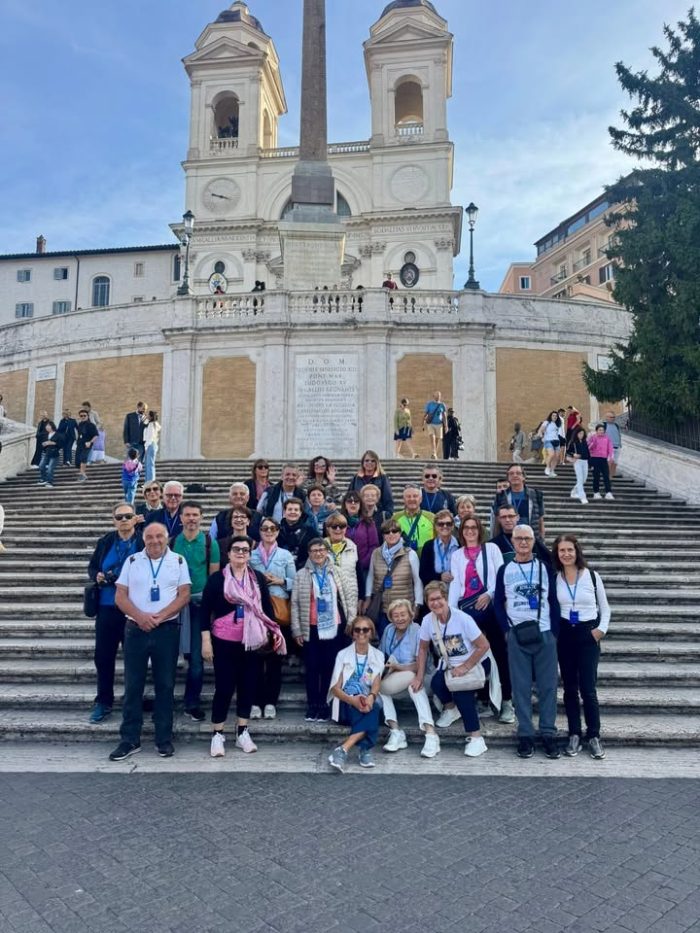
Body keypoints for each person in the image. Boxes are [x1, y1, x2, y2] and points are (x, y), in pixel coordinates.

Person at [109, 522, 191, 760]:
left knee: (165, 685)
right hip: (135, 629)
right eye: (150, 537)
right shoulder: (133, 561)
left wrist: (160, 616)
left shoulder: (178, 561)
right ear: (143, 539)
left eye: (159, 537)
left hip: (166, 630)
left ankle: (163, 739)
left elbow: (184, 594)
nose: (154, 541)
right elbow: (120, 595)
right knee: (133, 685)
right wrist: (140, 617)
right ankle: (129, 739)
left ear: (167, 538)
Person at [201, 536, 285, 758]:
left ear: (250, 554)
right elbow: (204, 611)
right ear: (228, 553)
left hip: (252, 641)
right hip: (224, 640)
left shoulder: (257, 578)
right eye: (236, 549)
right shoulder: (217, 579)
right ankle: (217, 734)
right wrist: (205, 640)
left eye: (245, 550)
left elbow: (266, 608)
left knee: (248, 686)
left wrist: (272, 633)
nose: (240, 553)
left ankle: (242, 731)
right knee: (224, 688)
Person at [494, 523, 561, 759]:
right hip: (517, 634)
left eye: (528, 539)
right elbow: (498, 603)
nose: (523, 543)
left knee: (548, 687)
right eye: (519, 538)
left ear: (534, 542)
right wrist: (506, 631)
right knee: (520, 688)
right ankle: (525, 734)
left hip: (544, 633)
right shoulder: (504, 570)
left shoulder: (544, 567)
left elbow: (553, 600)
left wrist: (554, 633)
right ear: (512, 541)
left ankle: (548, 733)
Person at [411, 581, 491, 757]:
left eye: (439, 598)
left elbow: (483, 645)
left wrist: (465, 666)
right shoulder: (427, 621)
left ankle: (477, 738)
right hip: (451, 665)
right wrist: (419, 676)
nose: (436, 603)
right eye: (431, 600)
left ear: (446, 598)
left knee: (462, 692)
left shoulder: (463, 618)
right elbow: (423, 649)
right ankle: (450, 708)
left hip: (476, 662)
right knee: (437, 683)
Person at [448, 515, 514, 724]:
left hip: (491, 607)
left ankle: (506, 702)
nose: (469, 531)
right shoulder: (457, 555)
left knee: (499, 654)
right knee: (477, 654)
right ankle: (484, 699)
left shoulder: (491, 549)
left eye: (473, 528)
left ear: (479, 530)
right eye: (466, 528)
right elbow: (456, 583)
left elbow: (501, 575)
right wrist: (451, 612)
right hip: (468, 609)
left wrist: (490, 594)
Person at [553, 534, 610, 760]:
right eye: (561, 551)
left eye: (570, 550)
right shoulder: (555, 578)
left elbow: (605, 608)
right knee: (569, 688)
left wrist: (600, 631)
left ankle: (594, 735)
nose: (566, 554)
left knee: (588, 688)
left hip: (588, 633)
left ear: (577, 551)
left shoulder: (592, 577)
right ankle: (574, 734)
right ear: (557, 554)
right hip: (566, 633)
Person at [87, 503, 144, 724]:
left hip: (133, 608)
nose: (123, 520)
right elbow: (92, 567)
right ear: (113, 520)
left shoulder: (142, 541)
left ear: (134, 519)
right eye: (119, 517)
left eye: (128, 516)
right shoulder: (106, 541)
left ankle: (133, 699)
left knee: (134, 658)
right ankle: (104, 701)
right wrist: (98, 576)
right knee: (103, 657)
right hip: (107, 607)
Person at [292, 537, 352, 722]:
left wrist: (351, 620)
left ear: (327, 552)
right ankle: (313, 705)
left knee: (329, 667)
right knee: (312, 668)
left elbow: (348, 597)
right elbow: (294, 603)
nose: (318, 553)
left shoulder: (337, 572)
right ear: (309, 553)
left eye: (321, 550)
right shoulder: (302, 574)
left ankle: (325, 704)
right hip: (310, 627)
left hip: (334, 627)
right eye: (314, 550)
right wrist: (296, 629)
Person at [172, 501, 220, 721]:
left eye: (195, 515)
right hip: (174, 606)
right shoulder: (172, 542)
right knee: (170, 657)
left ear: (201, 518)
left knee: (197, 661)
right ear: (180, 518)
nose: (191, 519)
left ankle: (191, 703)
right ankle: (165, 702)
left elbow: (213, 577)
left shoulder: (210, 542)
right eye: (187, 515)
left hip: (199, 605)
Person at [379, 598, 440, 758]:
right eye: (396, 615)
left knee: (414, 683)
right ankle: (396, 732)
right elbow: (382, 655)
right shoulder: (389, 630)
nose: (399, 618)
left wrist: (398, 667)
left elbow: (421, 665)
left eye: (403, 614)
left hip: (423, 677)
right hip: (397, 679)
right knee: (377, 688)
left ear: (411, 615)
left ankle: (431, 734)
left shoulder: (418, 630)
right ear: (391, 618)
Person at [249, 518, 297, 719]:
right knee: (255, 660)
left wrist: (279, 580)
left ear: (278, 531)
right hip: (256, 610)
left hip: (278, 611)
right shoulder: (251, 555)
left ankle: (270, 702)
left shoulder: (285, 555)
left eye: (273, 528)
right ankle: (255, 702)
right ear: (259, 531)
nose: (269, 531)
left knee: (275, 660)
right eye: (265, 528)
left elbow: (295, 581)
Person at [327, 616, 385, 772]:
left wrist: (371, 697)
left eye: (365, 629)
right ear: (352, 633)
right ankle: (365, 750)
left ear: (371, 633)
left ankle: (343, 749)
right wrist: (352, 700)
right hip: (346, 703)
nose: (361, 633)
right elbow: (335, 688)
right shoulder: (343, 655)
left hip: (366, 700)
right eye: (357, 629)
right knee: (370, 712)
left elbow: (376, 682)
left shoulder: (378, 655)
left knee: (373, 707)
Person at [364, 519, 423, 637]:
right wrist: (368, 598)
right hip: (383, 608)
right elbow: (371, 576)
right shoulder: (376, 553)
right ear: (383, 535)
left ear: (400, 533)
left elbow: (417, 581)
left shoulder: (410, 553)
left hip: (404, 609)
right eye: (387, 532)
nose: (391, 534)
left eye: (394, 531)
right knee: (385, 640)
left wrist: (417, 604)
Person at [494, 465, 546, 544]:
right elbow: (497, 521)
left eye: (518, 473)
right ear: (508, 478)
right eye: (511, 473)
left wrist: (542, 540)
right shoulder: (501, 496)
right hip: (508, 539)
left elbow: (540, 521)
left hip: (530, 538)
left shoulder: (536, 495)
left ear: (523, 477)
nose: (515, 475)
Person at [324, 513, 359, 622]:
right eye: (334, 527)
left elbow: (359, 573)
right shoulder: (319, 547)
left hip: (348, 596)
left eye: (342, 526)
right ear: (328, 529)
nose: (338, 529)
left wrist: (362, 598)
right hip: (327, 598)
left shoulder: (352, 547)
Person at [210, 482, 261, 548]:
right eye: (235, 494)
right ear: (230, 498)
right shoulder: (219, 518)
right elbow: (211, 541)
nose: (238, 496)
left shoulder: (259, 517)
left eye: (242, 494)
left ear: (248, 498)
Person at [418, 509, 459, 590]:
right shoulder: (428, 546)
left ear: (453, 526)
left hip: (457, 592)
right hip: (435, 593)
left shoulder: (460, 545)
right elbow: (423, 574)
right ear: (435, 527)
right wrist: (439, 577)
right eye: (441, 524)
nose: (445, 526)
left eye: (448, 524)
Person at [393, 483, 434, 556]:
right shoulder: (396, 517)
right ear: (404, 499)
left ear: (421, 499)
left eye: (415, 496)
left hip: (426, 560)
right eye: (408, 496)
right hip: (403, 561)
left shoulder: (431, 517)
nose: (412, 499)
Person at [277, 497, 316, 570]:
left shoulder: (310, 531)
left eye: (296, 510)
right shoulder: (276, 529)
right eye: (290, 509)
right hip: (279, 568)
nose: (293, 512)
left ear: (300, 513)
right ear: (284, 512)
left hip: (304, 569)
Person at [588, 423, 615, 500]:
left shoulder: (607, 438)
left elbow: (610, 448)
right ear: (596, 431)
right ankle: (596, 492)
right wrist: (593, 443)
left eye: (603, 430)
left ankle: (608, 493)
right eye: (599, 430)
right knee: (596, 476)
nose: (601, 431)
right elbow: (588, 448)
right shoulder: (593, 437)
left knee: (606, 476)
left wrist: (611, 457)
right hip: (594, 459)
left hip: (603, 459)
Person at [37, 421, 65, 489]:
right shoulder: (45, 435)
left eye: (48, 426)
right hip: (46, 453)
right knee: (41, 466)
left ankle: (50, 481)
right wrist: (44, 444)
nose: (47, 427)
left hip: (54, 453)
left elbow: (61, 444)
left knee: (50, 468)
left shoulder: (58, 435)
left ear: (52, 426)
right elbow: (41, 442)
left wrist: (52, 443)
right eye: (46, 426)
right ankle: (43, 479)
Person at [567, 426, 591, 504]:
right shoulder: (573, 442)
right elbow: (568, 452)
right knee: (580, 479)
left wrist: (590, 463)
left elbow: (588, 453)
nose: (581, 435)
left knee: (584, 479)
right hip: (577, 461)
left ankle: (574, 491)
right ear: (576, 434)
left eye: (582, 433)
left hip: (585, 461)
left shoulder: (584, 442)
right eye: (580, 433)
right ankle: (582, 496)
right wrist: (573, 454)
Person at [75, 408, 99, 483]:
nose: (83, 417)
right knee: (77, 460)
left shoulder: (91, 425)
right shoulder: (80, 425)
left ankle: (83, 474)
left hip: (87, 444)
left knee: (83, 458)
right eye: (81, 416)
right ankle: (82, 472)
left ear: (87, 416)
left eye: (84, 415)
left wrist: (90, 442)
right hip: (80, 444)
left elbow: (96, 435)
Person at [423, 391, 447, 460]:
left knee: (437, 439)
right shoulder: (429, 404)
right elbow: (425, 414)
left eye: (439, 395)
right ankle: (434, 452)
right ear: (433, 396)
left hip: (439, 425)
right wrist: (423, 423)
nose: (438, 397)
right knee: (432, 437)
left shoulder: (442, 405)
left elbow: (444, 416)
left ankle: (434, 454)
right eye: (436, 395)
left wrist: (446, 426)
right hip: (431, 424)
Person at [538, 411, 562, 477]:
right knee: (551, 454)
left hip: (556, 441)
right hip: (548, 440)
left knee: (556, 457)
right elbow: (540, 430)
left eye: (556, 416)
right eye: (553, 415)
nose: (555, 417)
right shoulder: (547, 422)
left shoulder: (558, 424)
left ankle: (552, 471)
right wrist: (541, 437)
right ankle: (547, 467)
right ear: (550, 416)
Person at [143, 410, 161, 483]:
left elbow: (150, 437)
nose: (147, 416)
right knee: (149, 464)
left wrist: (146, 447)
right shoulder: (155, 424)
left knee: (149, 465)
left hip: (150, 445)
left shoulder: (151, 425)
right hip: (153, 445)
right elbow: (144, 422)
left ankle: (150, 482)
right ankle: (148, 482)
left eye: (148, 415)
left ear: (151, 416)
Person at [604, 410, 623, 477]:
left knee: (615, 463)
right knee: (609, 462)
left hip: (617, 446)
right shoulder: (604, 425)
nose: (613, 418)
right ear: (607, 417)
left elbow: (618, 434)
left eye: (614, 417)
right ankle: (607, 477)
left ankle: (611, 477)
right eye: (611, 417)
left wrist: (620, 444)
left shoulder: (616, 425)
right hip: (609, 447)